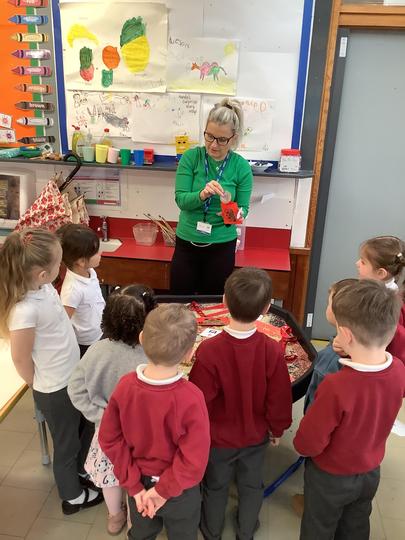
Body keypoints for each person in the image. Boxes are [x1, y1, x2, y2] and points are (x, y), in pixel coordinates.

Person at [0, 228, 103, 515]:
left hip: (68, 379)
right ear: (43, 274)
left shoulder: (43, 288)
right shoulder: (23, 310)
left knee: (82, 428)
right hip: (54, 389)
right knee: (66, 445)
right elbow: (20, 358)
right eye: (59, 263)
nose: (63, 267)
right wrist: (38, 385)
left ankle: (82, 470)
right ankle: (72, 496)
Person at [293, 279, 405, 540]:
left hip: (330, 477)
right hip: (370, 471)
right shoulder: (399, 370)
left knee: (318, 527)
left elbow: (309, 441)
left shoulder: (336, 385)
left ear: (346, 335)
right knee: (356, 525)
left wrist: (301, 446)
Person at [189, 267, 293, 540]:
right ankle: (246, 530)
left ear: (224, 301)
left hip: (217, 439)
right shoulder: (272, 350)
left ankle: (211, 530)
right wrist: (277, 428)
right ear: (267, 308)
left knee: (215, 486)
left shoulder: (209, 350)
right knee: (251, 485)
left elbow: (198, 400)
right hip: (255, 437)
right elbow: (279, 398)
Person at [98, 304, 211, 540]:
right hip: (180, 490)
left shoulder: (125, 386)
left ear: (141, 338)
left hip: (138, 482)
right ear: (189, 353)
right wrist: (162, 491)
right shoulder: (192, 397)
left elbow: (109, 438)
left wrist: (134, 486)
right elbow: (194, 459)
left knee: (141, 534)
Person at [68, 284, 156, 535]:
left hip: (107, 431)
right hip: (142, 434)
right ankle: (134, 522)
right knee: (136, 479)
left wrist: (100, 415)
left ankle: (115, 516)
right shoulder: (151, 353)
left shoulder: (97, 350)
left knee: (110, 478)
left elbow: (75, 389)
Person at [170, 98, 253, 295]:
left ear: (234, 138)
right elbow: (181, 200)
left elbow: (241, 214)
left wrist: (228, 207)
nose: (214, 145)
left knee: (214, 304)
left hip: (222, 247)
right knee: (179, 303)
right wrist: (202, 194)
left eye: (222, 139)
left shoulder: (241, 167)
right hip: (187, 243)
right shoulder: (191, 158)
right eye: (209, 136)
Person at [291, 278, 357, 517]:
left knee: (318, 476)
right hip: (352, 448)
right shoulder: (349, 348)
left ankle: (311, 505)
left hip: (325, 442)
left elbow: (318, 406)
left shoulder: (329, 361)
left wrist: (306, 437)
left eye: (329, 303)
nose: (326, 306)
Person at [58, 223, 105, 358]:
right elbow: (64, 320)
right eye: (96, 252)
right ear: (81, 261)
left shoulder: (90, 272)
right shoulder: (72, 290)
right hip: (86, 343)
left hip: (100, 332)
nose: (101, 253)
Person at [356, 235, 405, 363]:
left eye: (363, 262)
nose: (357, 264)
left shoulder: (387, 306)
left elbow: (393, 348)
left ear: (381, 273)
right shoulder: (373, 292)